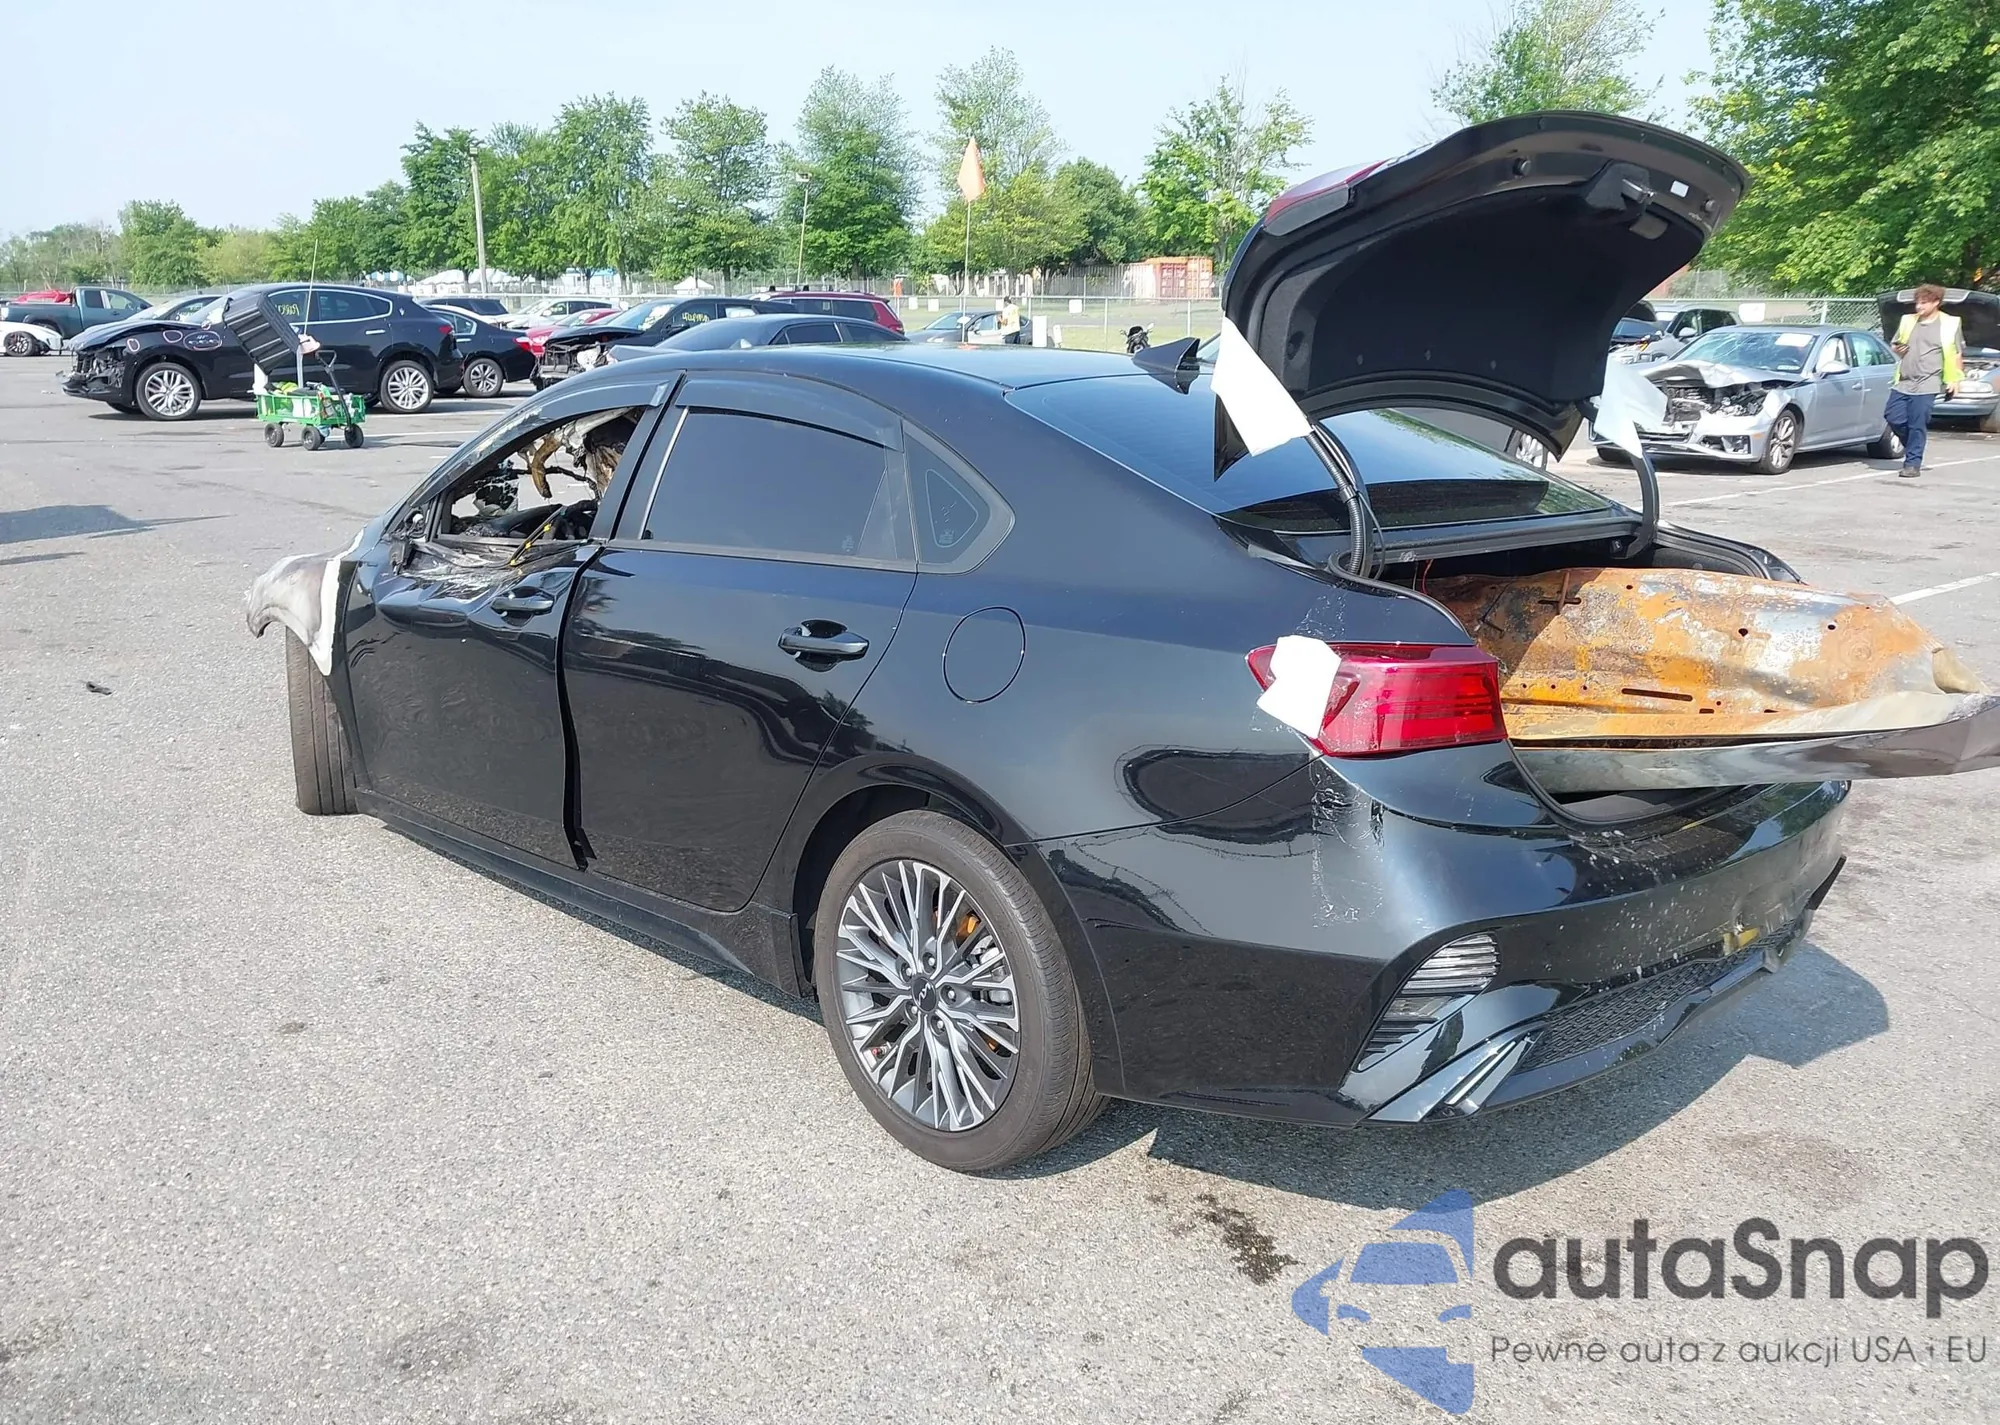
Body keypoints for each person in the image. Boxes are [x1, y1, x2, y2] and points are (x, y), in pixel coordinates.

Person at [1887, 283, 1964, 478]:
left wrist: (1955, 380)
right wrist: (1897, 349)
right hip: (1904, 379)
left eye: (1924, 302)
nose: (1919, 306)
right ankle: (1914, 447)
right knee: (1893, 417)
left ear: (1936, 302)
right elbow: (1895, 345)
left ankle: (1912, 464)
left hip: (1928, 381)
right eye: (1917, 302)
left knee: (1917, 423)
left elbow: (1956, 354)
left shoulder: (1950, 323)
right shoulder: (1907, 320)